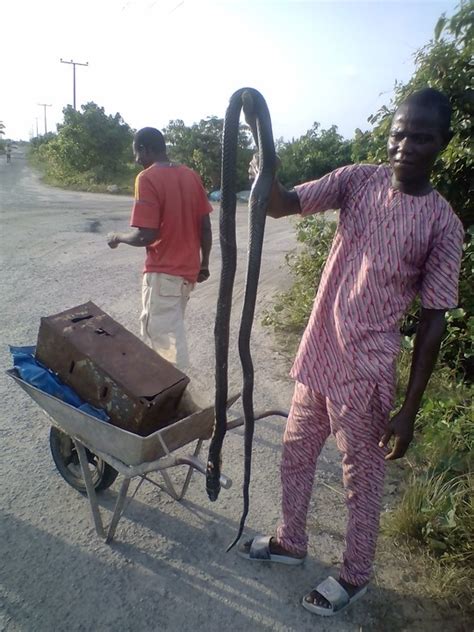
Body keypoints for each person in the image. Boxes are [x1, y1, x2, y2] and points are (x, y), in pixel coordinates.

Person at [239, 88, 465, 617]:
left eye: (422, 136)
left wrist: (407, 411)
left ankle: (355, 574)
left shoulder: (442, 224)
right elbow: (281, 204)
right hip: (317, 353)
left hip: (364, 372)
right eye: (399, 133)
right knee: (295, 453)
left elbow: (433, 322)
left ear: (442, 143)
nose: (406, 145)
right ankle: (291, 542)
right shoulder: (357, 179)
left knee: (360, 480)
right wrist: (262, 151)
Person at [107, 127, 212, 370]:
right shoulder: (190, 175)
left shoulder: (147, 178)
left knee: (164, 342)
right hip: (187, 274)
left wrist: (118, 237)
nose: (136, 161)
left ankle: (180, 399)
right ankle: (174, 393)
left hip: (164, 274)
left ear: (145, 149)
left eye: (137, 153)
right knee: (170, 333)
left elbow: (146, 235)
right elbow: (205, 227)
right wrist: (203, 264)